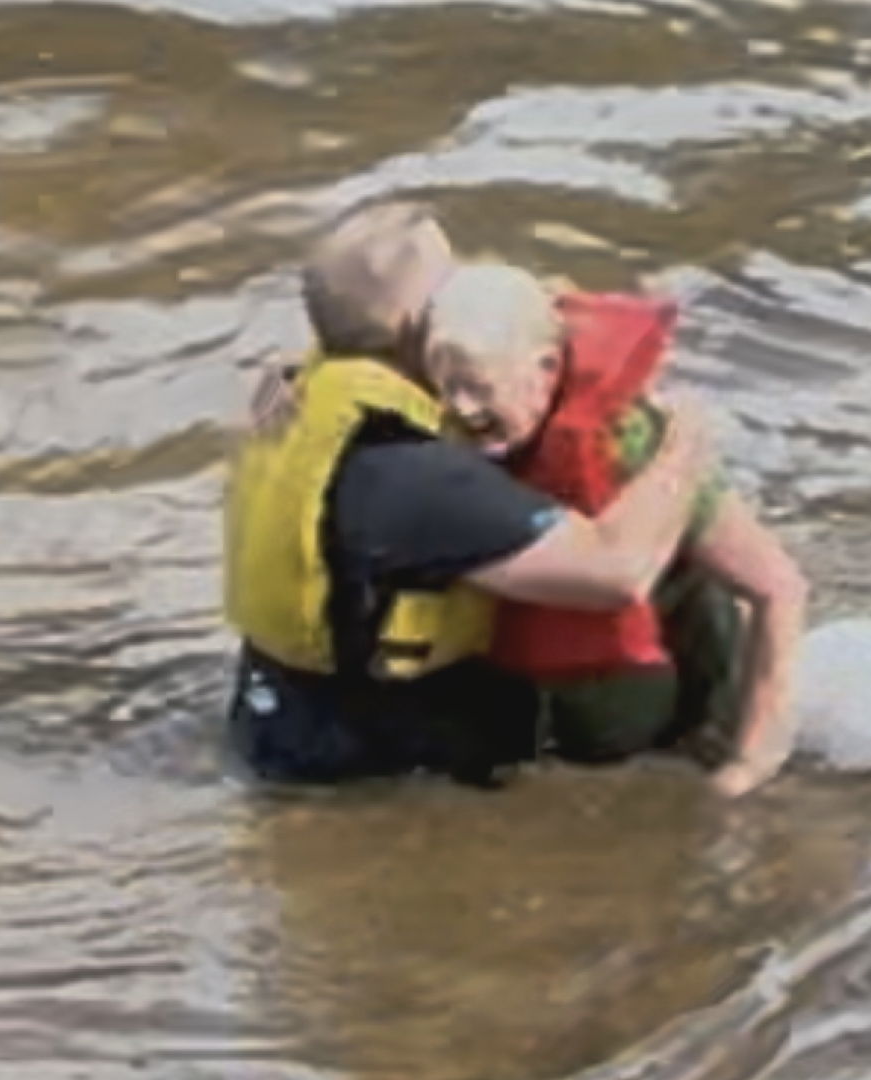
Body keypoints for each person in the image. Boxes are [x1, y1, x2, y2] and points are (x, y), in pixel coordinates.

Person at [221, 202, 712, 789]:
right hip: (373, 779)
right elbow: (615, 572)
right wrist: (684, 442)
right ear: (414, 323)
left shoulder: (300, 390)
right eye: (451, 288)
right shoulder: (412, 475)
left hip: (280, 723)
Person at [421, 262, 809, 798]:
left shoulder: (631, 444)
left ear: (545, 368)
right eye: (447, 387)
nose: (460, 408)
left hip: (642, 698)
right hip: (518, 707)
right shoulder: (437, 418)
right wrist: (283, 384)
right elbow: (356, 321)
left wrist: (747, 766)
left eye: (479, 387)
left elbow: (778, 587)